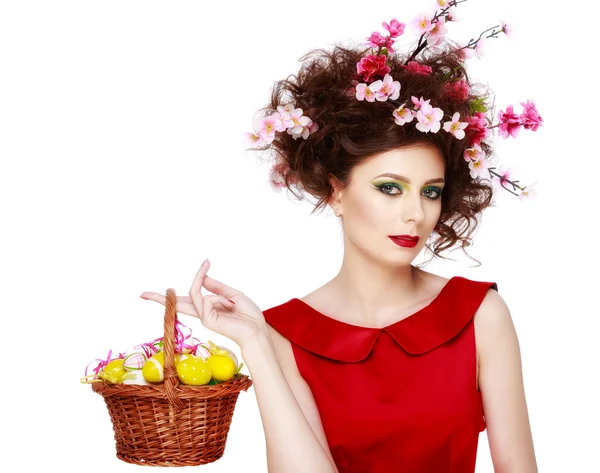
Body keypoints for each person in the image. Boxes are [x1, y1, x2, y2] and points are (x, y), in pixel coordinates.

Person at [140, 2, 541, 472]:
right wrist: (257, 346)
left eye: (430, 192)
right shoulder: (286, 334)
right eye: (389, 188)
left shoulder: (479, 316)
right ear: (336, 192)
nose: (415, 213)